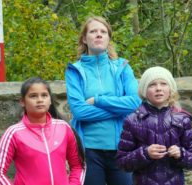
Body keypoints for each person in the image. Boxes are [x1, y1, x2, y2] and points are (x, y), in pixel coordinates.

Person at [65, 16, 141, 185]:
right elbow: (79, 111)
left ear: (108, 38)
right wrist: (118, 107)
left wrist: (98, 100)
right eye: (93, 31)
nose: (98, 35)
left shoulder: (123, 67)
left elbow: (135, 103)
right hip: (89, 151)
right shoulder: (74, 71)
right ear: (85, 39)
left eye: (103, 32)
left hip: (122, 148)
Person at [0, 77, 85, 185]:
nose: (40, 100)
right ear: (22, 102)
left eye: (44, 95)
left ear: (50, 100)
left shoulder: (64, 128)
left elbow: (78, 165)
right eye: (33, 96)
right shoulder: (13, 133)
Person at [116, 66, 192, 185]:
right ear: (144, 91)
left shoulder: (182, 119)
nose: (158, 88)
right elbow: (122, 163)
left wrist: (181, 154)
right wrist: (145, 153)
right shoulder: (132, 121)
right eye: (152, 85)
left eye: (163, 83)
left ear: (171, 89)